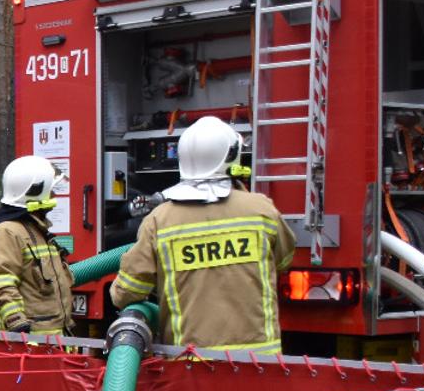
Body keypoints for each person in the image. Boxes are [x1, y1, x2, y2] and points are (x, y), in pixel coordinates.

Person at [110, 116, 296, 354]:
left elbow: (125, 292)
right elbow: (283, 260)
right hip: (258, 365)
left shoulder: (159, 220)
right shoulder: (262, 210)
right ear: (232, 158)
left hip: (190, 365)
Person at [0, 156, 75, 336]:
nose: (55, 195)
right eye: (50, 191)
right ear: (34, 192)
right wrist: (17, 325)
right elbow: (1, 282)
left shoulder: (36, 232)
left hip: (52, 343)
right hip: (29, 345)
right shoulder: (7, 232)